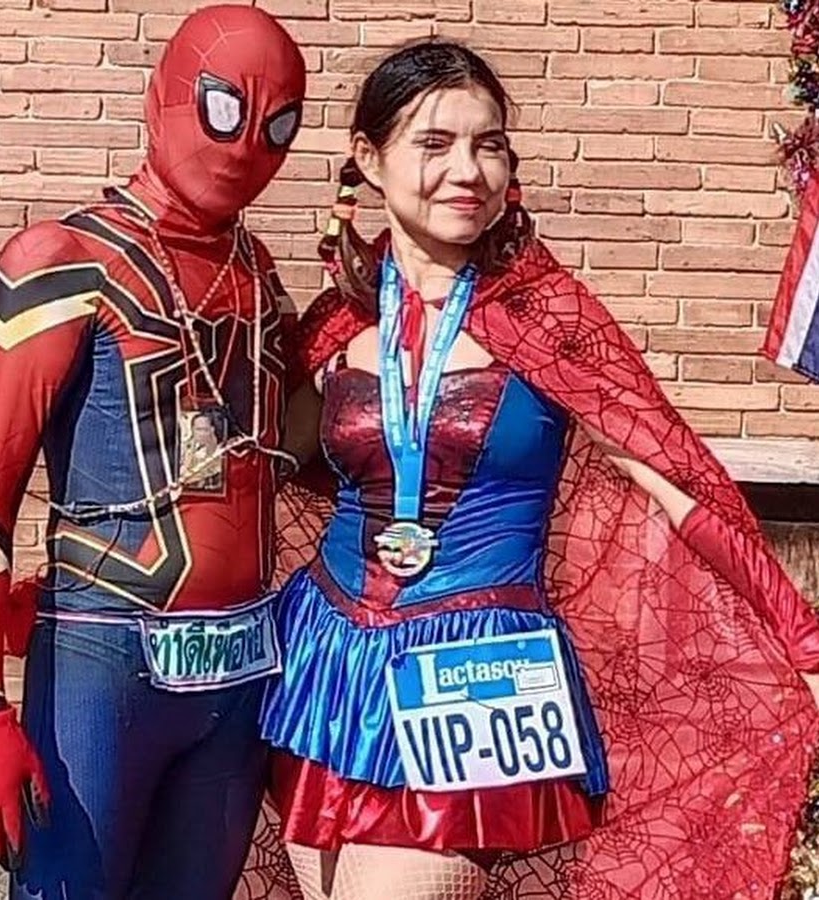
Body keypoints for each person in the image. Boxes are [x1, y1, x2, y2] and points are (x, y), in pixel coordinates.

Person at [262, 41, 819, 899]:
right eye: (435, 143)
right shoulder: (338, 322)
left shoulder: (547, 317)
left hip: (480, 678)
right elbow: (265, 468)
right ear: (369, 160)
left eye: (488, 145)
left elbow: (678, 482)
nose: (467, 171)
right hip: (326, 667)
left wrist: (800, 635)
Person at [0, 6, 305, 899]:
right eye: (224, 108)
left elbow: (298, 451)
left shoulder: (258, 274)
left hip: (238, 669)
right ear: (163, 98)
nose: (245, 146)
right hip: (104, 659)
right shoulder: (61, 260)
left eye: (277, 125)